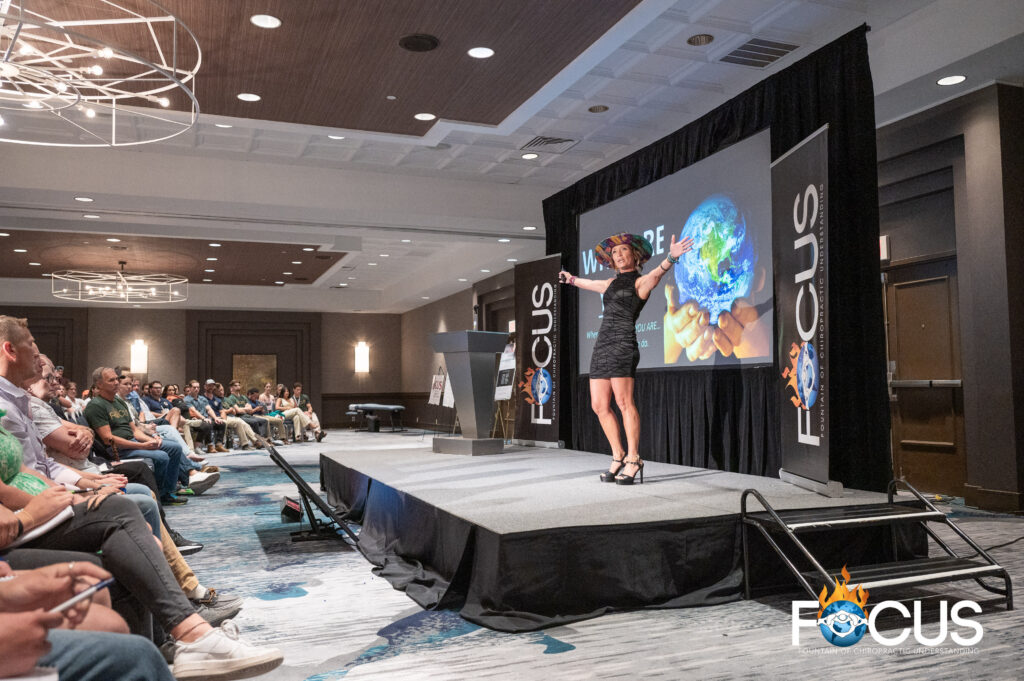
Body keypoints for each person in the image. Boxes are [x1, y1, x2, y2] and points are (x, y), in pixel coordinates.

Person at [558, 231, 693, 485]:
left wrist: (671, 258)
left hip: (623, 345)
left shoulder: (640, 283)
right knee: (599, 405)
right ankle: (618, 454)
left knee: (623, 402)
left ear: (635, 255)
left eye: (624, 250)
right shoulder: (610, 283)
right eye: (614, 252)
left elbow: (657, 274)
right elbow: (589, 283)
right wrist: (570, 279)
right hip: (602, 346)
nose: (618, 254)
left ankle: (633, 458)